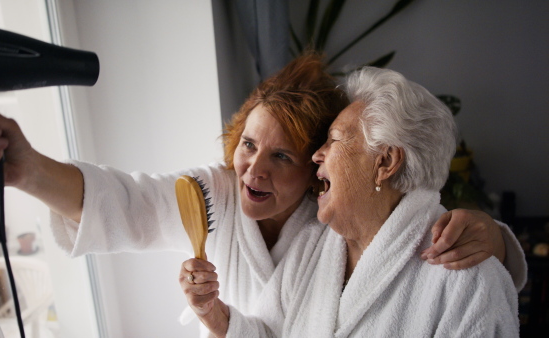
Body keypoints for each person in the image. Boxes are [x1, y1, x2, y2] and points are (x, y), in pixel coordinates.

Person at [0, 54, 522, 335]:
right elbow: (128, 202)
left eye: (285, 156)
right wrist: (25, 168)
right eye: (248, 144)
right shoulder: (217, 195)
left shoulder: (328, 229)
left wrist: (496, 238)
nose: (252, 168)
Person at [180, 66, 522, 337]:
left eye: (334, 139)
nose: (316, 155)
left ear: (385, 162)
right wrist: (216, 316)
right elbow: (268, 334)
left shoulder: (469, 279)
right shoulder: (312, 248)